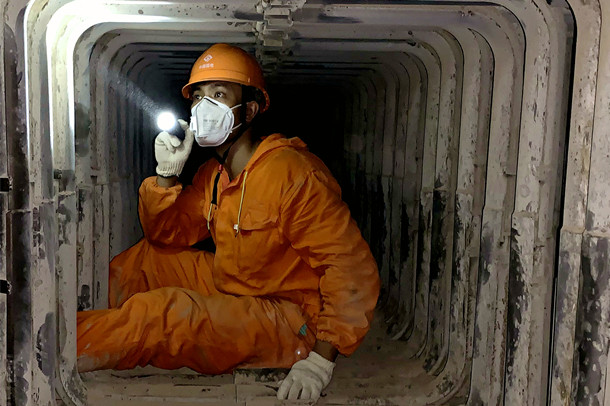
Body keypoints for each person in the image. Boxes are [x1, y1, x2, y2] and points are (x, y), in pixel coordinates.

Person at [76, 43, 380, 402]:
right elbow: (165, 235)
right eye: (198, 96)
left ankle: (56, 344)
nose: (203, 106)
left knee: (162, 317)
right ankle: (86, 320)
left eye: (219, 94)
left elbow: (351, 269)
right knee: (145, 260)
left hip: (290, 317)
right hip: (239, 286)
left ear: (248, 110)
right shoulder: (216, 175)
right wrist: (166, 176)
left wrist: (320, 361)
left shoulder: (293, 174)